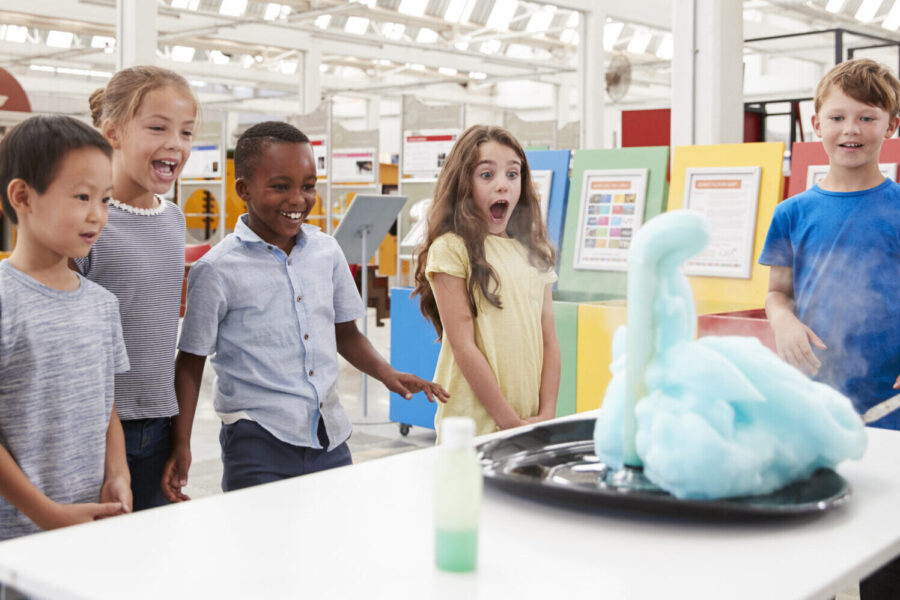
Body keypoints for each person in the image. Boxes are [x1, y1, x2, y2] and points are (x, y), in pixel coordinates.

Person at [172, 121, 448, 494]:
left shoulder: (326, 251)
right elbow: (190, 362)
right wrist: (180, 443)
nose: (298, 199)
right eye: (280, 186)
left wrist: (387, 373)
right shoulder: (217, 270)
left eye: (308, 186)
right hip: (257, 441)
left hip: (329, 436)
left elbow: (345, 333)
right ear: (244, 190)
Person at [759, 58, 900, 599]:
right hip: (817, 400)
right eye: (838, 117)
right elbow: (777, 293)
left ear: (891, 125)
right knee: (816, 540)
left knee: (887, 544)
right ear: (815, 124)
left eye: (867, 118)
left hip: (891, 406)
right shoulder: (792, 213)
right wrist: (785, 322)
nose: (851, 130)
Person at [0, 115, 131, 540]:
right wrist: (47, 514)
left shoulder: (101, 303)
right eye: (81, 196)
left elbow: (104, 401)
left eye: (106, 200)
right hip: (17, 534)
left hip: (89, 522)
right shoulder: (6, 300)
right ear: (22, 196)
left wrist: (119, 473)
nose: (97, 215)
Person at [77, 66, 197, 510]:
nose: (176, 144)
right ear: (113, 133)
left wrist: (179, 437)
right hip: (95, 428)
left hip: (160, 425)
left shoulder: (173, 219)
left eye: (186, 132)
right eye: (157, 128)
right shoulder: (89, 222)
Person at [412, 125, 560, 439]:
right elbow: (464, 346)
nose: (503, 186)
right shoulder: (451, 248)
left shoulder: (535, 252)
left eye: (512, 174)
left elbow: (549, 340)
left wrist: (547, 414)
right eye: (487, 175)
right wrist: (508, 423)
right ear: (463, 182)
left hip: (528, 422)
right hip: (473, 427)